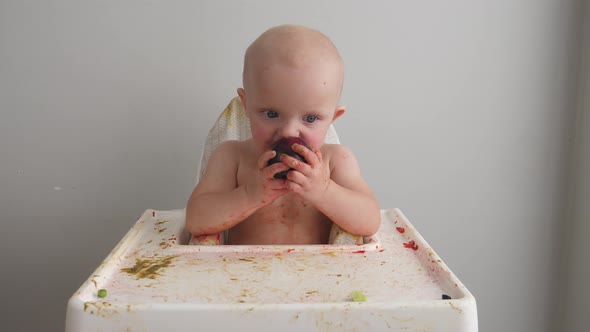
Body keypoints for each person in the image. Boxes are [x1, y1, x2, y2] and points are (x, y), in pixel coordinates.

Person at [186, 24, 380, 244]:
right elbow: (195, 220)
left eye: (310, 118)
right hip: (241, 275)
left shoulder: (336, 161)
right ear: (246, 105)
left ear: (333, 118)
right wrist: (250, 194)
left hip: (322, 275)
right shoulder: (231, 157)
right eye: (271, 113)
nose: (288, 131)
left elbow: (370, 221)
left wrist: (324, 191)